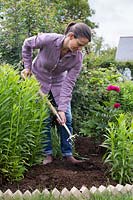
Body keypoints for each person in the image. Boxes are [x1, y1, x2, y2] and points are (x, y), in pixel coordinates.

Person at [21, 22, 91, 165]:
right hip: (38, 81)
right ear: (71, 36)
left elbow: (69, 83)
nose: (80, 49)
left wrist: (62, 109)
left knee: (67, 118)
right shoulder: (49, 39)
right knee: (43, 119)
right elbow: (27, 44)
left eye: (83, 46)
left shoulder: (77, 57)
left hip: (59, 84)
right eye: (79, 44)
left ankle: (68, 154)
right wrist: (27, 68)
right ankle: (47, 154)